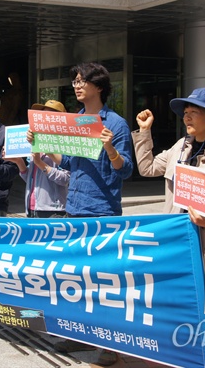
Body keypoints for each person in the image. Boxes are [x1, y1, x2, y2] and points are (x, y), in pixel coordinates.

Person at [132, 87, 205, 368]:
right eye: (186, 112)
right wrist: (145, 132)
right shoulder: (179, 147)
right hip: (179, 244)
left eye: (194, 112)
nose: (187, 117)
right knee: (183, 309)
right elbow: (147, 168)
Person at [40, 63, 133, 366]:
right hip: (74, 209)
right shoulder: (76, 120)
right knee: (76, 277)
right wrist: (43, 143)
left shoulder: (115, 124)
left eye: (82, 81)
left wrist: (110, 149)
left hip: (102, 211)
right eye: (75, 81)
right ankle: (77, 334)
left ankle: (109, 346)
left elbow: (127, 170)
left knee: (103, 280)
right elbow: (66, 161)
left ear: (99, 86)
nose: (77, 86)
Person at [3, 100, 70, 218]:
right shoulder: (34, 141)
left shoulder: (65, 144)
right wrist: (19, 162)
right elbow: (30, 178)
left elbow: (65, 179)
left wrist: (41, 164)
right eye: (42, 115)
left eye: (49, 116)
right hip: (31, 208)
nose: (43, 119)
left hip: (53, 211)